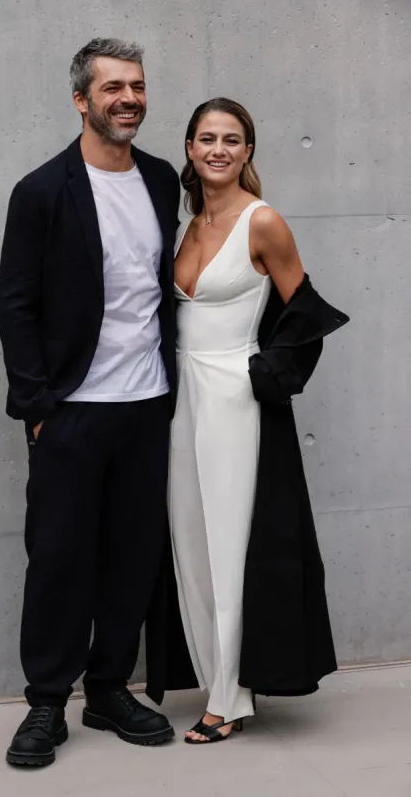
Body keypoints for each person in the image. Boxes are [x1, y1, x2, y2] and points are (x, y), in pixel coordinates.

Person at [0, 38, 180, 767]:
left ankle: (108, 690)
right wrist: (39, 404)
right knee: (60, 557)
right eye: (112, 88)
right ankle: (46, 702)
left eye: (136, 86)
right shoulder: (41, 191)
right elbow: (16, 306)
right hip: (72, 409)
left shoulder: (164, 179)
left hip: (148, 404)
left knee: (132, 555)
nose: (128, 98)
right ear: (82, 100)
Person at [168, 98, 349, 744]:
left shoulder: (262, 221)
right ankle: (213, 676)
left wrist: (259, 377)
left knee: (229, 546)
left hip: (233, 401)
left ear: (248, 151)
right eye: (207, 137)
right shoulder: (185, 225)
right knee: (189, 544)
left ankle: (230, 697)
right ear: (189, 146)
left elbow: (305, 316)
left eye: (232, 139)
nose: (218, 148)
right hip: (178, 402)